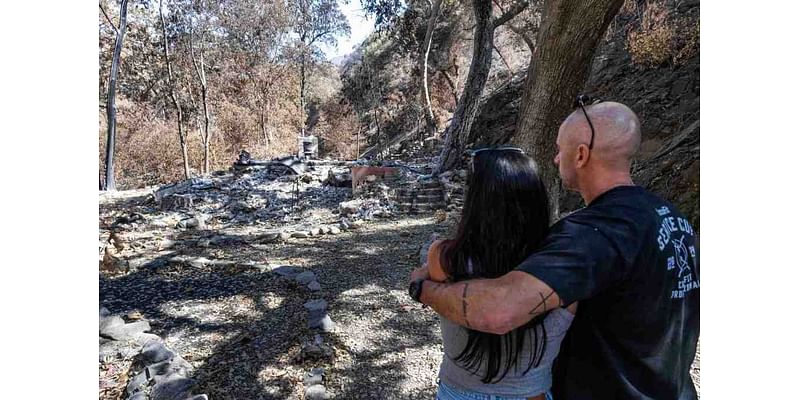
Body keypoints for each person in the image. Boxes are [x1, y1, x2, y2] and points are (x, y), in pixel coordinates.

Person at [408, 100, 699, 399]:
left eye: (560, 149)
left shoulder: (591, 236)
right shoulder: (671, 217)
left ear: (581, 154)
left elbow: (499, 311)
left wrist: (423, 289)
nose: (557, 159)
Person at [422, 148, 576, 400]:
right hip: (532, 395)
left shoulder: (444, 258)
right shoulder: (564, 264)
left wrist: (420, 281)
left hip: (459, 392)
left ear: (476, 201)